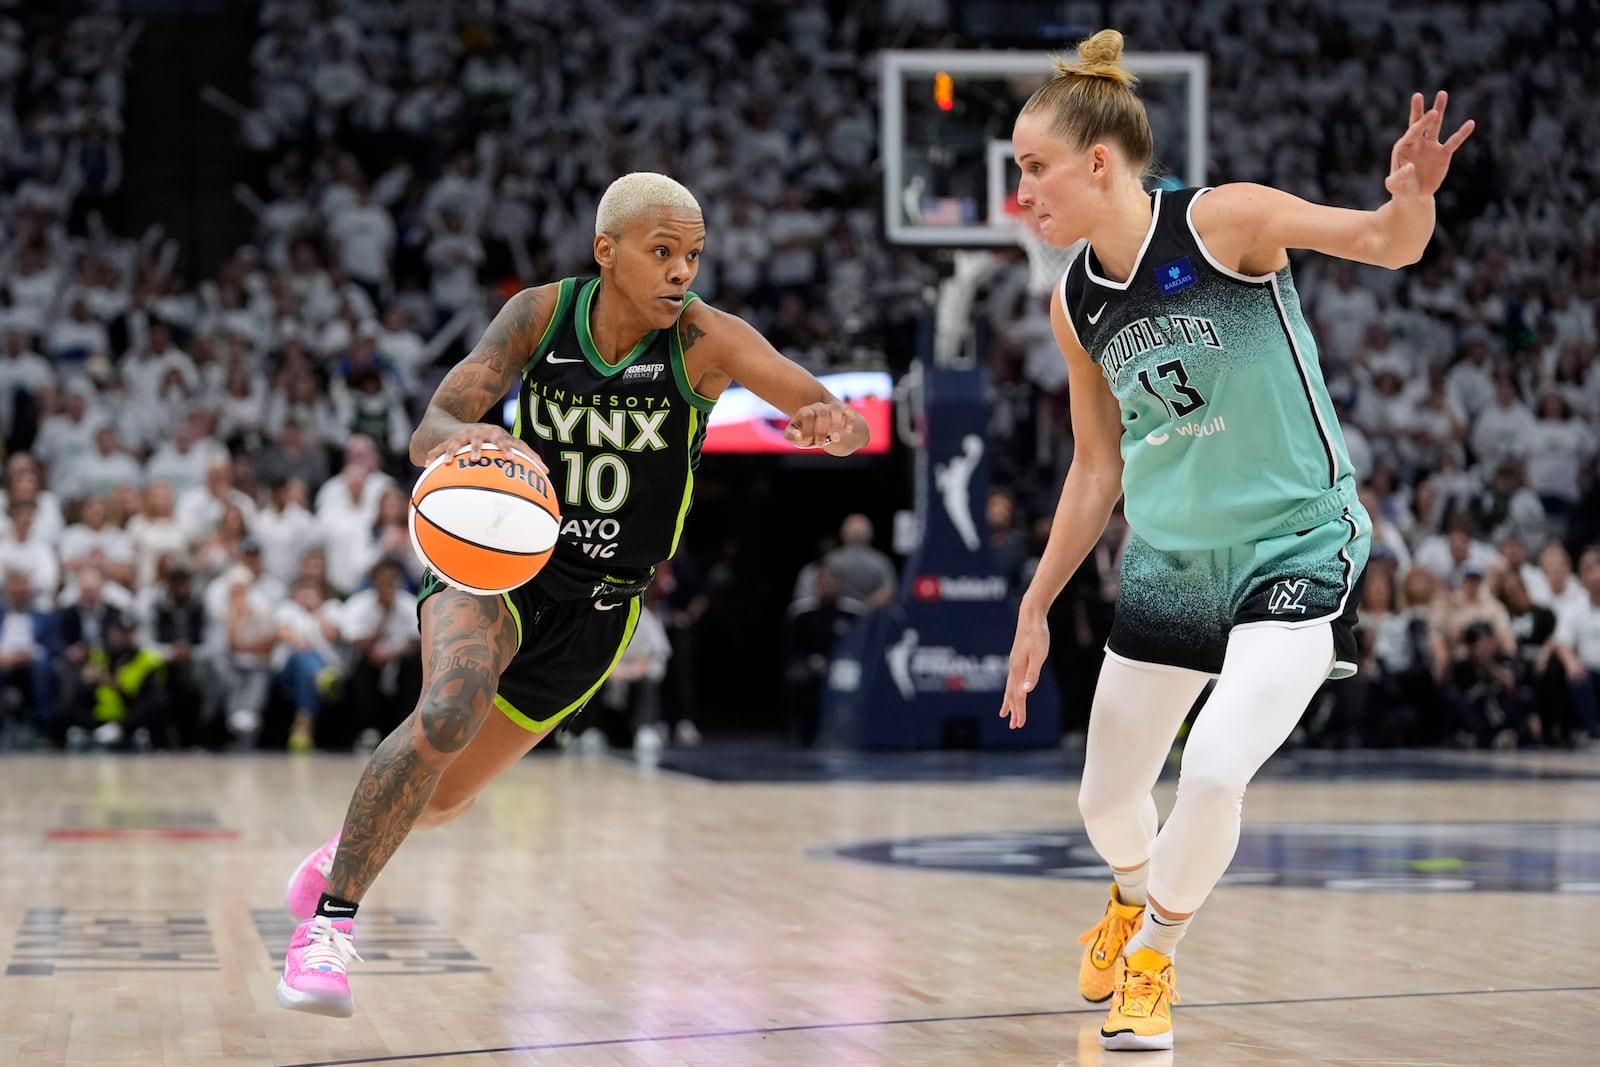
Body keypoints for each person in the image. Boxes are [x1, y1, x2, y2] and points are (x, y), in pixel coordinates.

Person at [275, 172, 868, 1017]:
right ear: (608, 251)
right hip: (500, 564)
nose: (680, 272)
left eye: (691, 255)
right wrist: (468, 435)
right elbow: (427, 432)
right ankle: (328, 930)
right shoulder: (541, 315)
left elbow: (821, 404)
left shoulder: (707, 340)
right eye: (662, 252)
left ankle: (342, 854)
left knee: (444, 796)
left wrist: (831, 425)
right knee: (443, 714)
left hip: (604, 604)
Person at [997, 31, 1473, 1051]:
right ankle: (1131, 896)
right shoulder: (1073, 299)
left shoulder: (1222, 223)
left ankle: (1155, 957)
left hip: (1294, 542)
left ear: (1098, 161)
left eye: (1032, 168)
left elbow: (1389, 242)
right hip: (1172, 562)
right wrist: (1035, 603)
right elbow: (1095, 466)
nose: (1020, 192)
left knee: (1213, 770)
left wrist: (1411, 196)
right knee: (1107, 802)